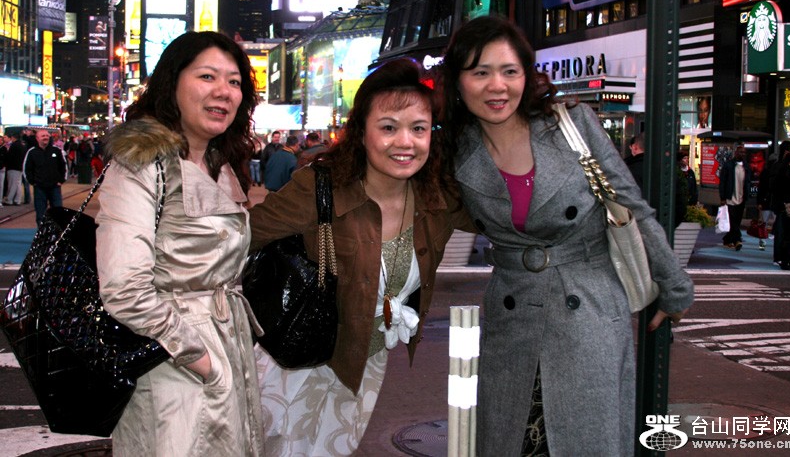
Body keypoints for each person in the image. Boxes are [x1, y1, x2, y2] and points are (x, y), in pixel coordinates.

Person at [439, 15, 693, 456]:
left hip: (588, 308)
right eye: (480, 72)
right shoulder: (454, 149)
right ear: (458, 82)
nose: (497, 86)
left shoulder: (570, 123)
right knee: (512, 440)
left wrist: (674, 287)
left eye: (510, 71)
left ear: (527, 75)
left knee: (584, 439)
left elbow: (629, 204)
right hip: (511, 319)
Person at [248, 58, 473, 456]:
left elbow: (513, 219)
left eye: (418, 129)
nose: (405, 142)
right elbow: (240, 238)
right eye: (388, 127)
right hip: (292, 365)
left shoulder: (438, 198)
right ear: (362, 132)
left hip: (362, 369)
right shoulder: (321, 186)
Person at [95, 31, 265, 456]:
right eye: (207, 76)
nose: (223, 91)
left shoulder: (218, 162)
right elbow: (124, 288)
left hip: (226, 346)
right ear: (172, 83)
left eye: (234, 82)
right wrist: (199, 357)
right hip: (171, 359)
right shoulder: (142, 161)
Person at [23, 129, 66, 226]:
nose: (45, 138)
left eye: (47, 136)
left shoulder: (56, 151)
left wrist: (61, 180)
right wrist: (33, 182)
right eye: (43, 136)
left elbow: (63, 166)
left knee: (58, 212)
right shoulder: (32, 152)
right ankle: (42, 232)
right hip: (39, 188)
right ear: (37, 138)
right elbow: (27, 169)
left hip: (55, 187)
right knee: (40, 213)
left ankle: (57, 233)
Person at [766, 140, 790, 263]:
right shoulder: (779, 166)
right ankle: (779, 256)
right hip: (782, 204)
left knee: (789, 231)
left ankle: (787, 256)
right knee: (781, 230)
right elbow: (773, 185)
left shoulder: (786, 167)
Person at [718, 145, 752, 251]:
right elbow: (723, 182)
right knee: (733, 220)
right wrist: (723, 197)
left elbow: (748, 181)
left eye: (744, 152)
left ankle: (727, 239)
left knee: (737, 220)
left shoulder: (746, 166)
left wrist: (747, 194)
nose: (742, 154)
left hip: (741, 197)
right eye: (740, 152)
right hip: (730, 198)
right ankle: (737, 240)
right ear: (736, 153)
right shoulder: (728, 165)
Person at [775, 151, 790, 270]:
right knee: (789, 234)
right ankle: (785, 260)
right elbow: (778, 190)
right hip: (789, 206)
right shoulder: (784, 174)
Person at [4, 132, 25, 205]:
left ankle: (9, 200)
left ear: (13, 137)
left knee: (12, 184)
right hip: (19, 167)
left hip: (13, 167)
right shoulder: (22, 145)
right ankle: (17, 200)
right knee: (17, 184)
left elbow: (10, 156)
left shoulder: (14, 145)